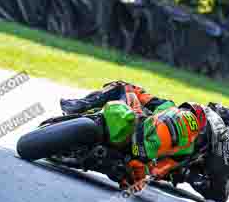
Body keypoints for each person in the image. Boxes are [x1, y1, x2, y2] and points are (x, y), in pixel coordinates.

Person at [59, 83, 229, 202]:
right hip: (192, 132)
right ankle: (80, 105)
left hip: (189, 163)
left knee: (178, 171)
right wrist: (219, 111)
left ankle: (130, 164)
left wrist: (208, 179)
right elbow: (223, 113)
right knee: (132, 91)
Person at [60, 81, 207, 190]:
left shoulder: (185, 150)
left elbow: (162, 169)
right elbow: (138, 92)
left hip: (142, 155)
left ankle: (110, 163)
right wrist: (131, 93)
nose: (186, 121)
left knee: (132, 184)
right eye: (187, 112)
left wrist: (145, 173)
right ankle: (80, 105)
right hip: (137, 125)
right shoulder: (166, 106)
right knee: (120, 86)